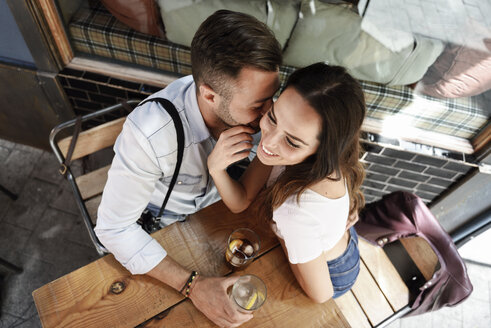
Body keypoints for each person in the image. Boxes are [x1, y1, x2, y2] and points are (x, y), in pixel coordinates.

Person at [95, 10, 282, 328]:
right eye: (257, 105)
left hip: (219, 218)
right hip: (161, 228)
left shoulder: (262, 114)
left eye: (272, 98)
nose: (269, 117)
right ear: (209, 94)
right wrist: (192, 286)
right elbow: (113, 230)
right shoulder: (150, 135)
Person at [208, 63, 366, 302]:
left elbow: (322, 295)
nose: (268, 141)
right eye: (272, 117)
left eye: (292, 142)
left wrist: (284, 233)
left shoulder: (294, 213)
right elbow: (241, 200)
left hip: (333, 273)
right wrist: (215, 168)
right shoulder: (319, 156)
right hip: (332, 237)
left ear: (323, 151)